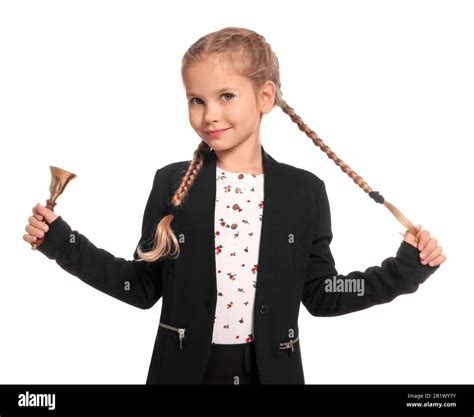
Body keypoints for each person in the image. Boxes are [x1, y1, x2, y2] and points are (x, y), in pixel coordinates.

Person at [23, 27, 446, 385]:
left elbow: (322, 294)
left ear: (265, 96)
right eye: (197, 99)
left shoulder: (305, 191)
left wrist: (405, 270)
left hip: (273, 374)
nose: (210, 115)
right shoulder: (172, 183)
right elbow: (141, 286)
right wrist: (62, 242)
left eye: (227, 95)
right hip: (183, 372)